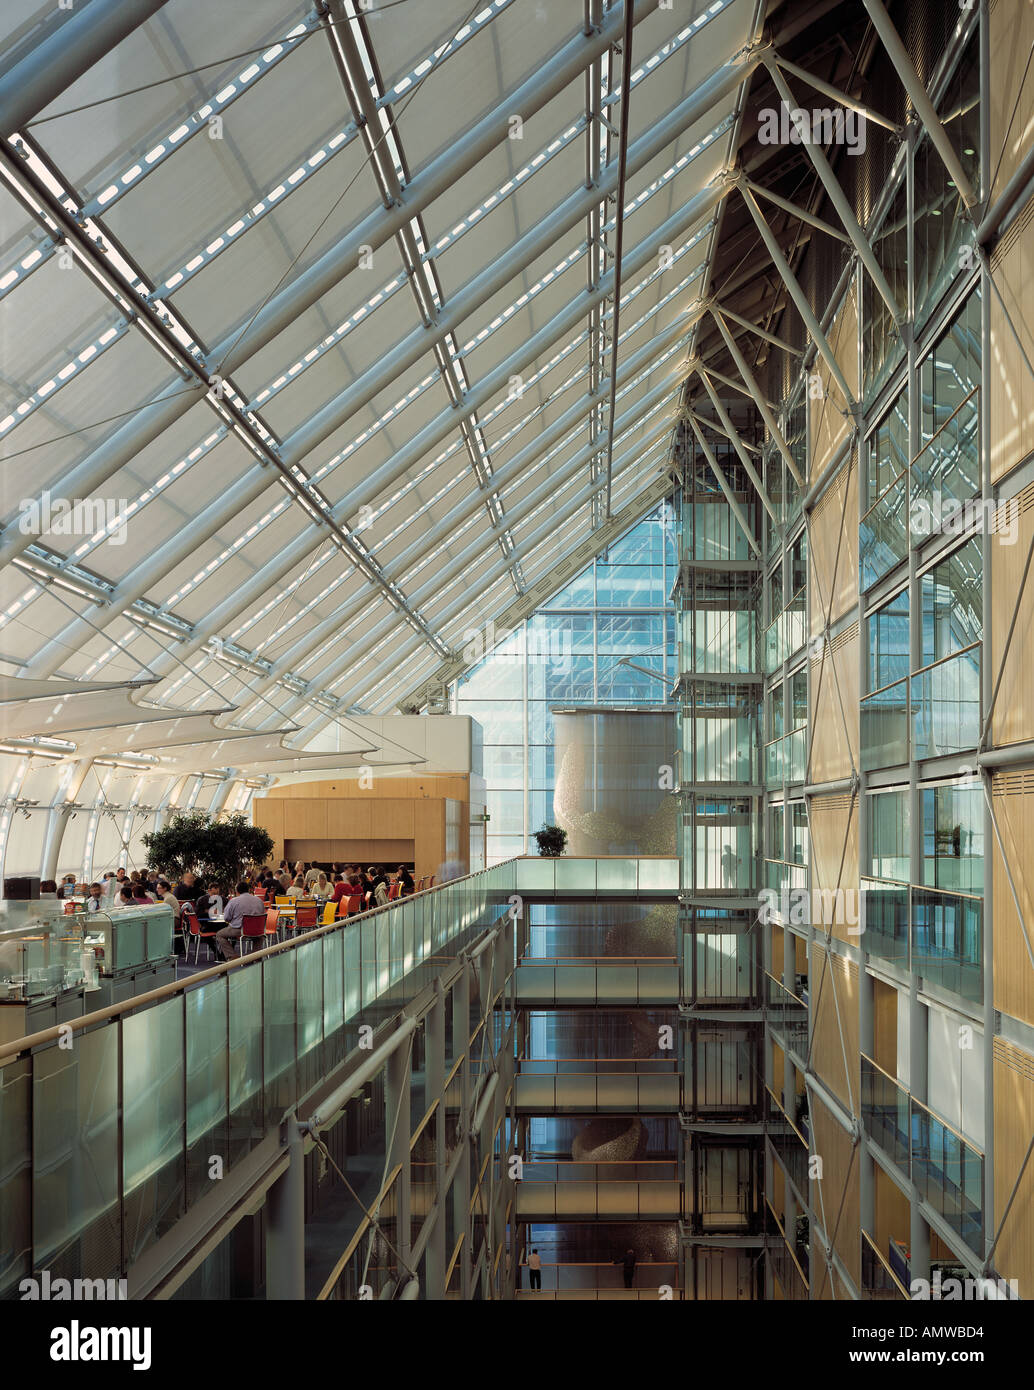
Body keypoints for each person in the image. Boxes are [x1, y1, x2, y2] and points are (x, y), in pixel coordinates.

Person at [213, 880, 265, 960]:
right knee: (259, 936)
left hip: (239, 930)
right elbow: (262, 915)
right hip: (258, 930)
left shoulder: (234, 901)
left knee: (219, 935)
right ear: (248, 890)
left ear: (237, 891)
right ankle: (255, 955)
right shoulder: (259, 900)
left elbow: (227, 918)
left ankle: (232, 955)